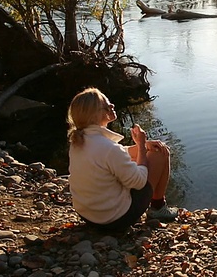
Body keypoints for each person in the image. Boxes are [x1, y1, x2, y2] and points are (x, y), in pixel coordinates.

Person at [67, 87, 177, 231]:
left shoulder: (78, 142)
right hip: (114, 221)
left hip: (89, 217)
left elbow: (114, 156)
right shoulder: (109, 148)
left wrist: (140, 145)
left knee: (141, 155)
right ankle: (158, 208)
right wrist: (142, 149)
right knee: (159, 153)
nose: (112, 106)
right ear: (94, 114)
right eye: (106, 106)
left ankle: (154, 207)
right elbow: (138, 182)